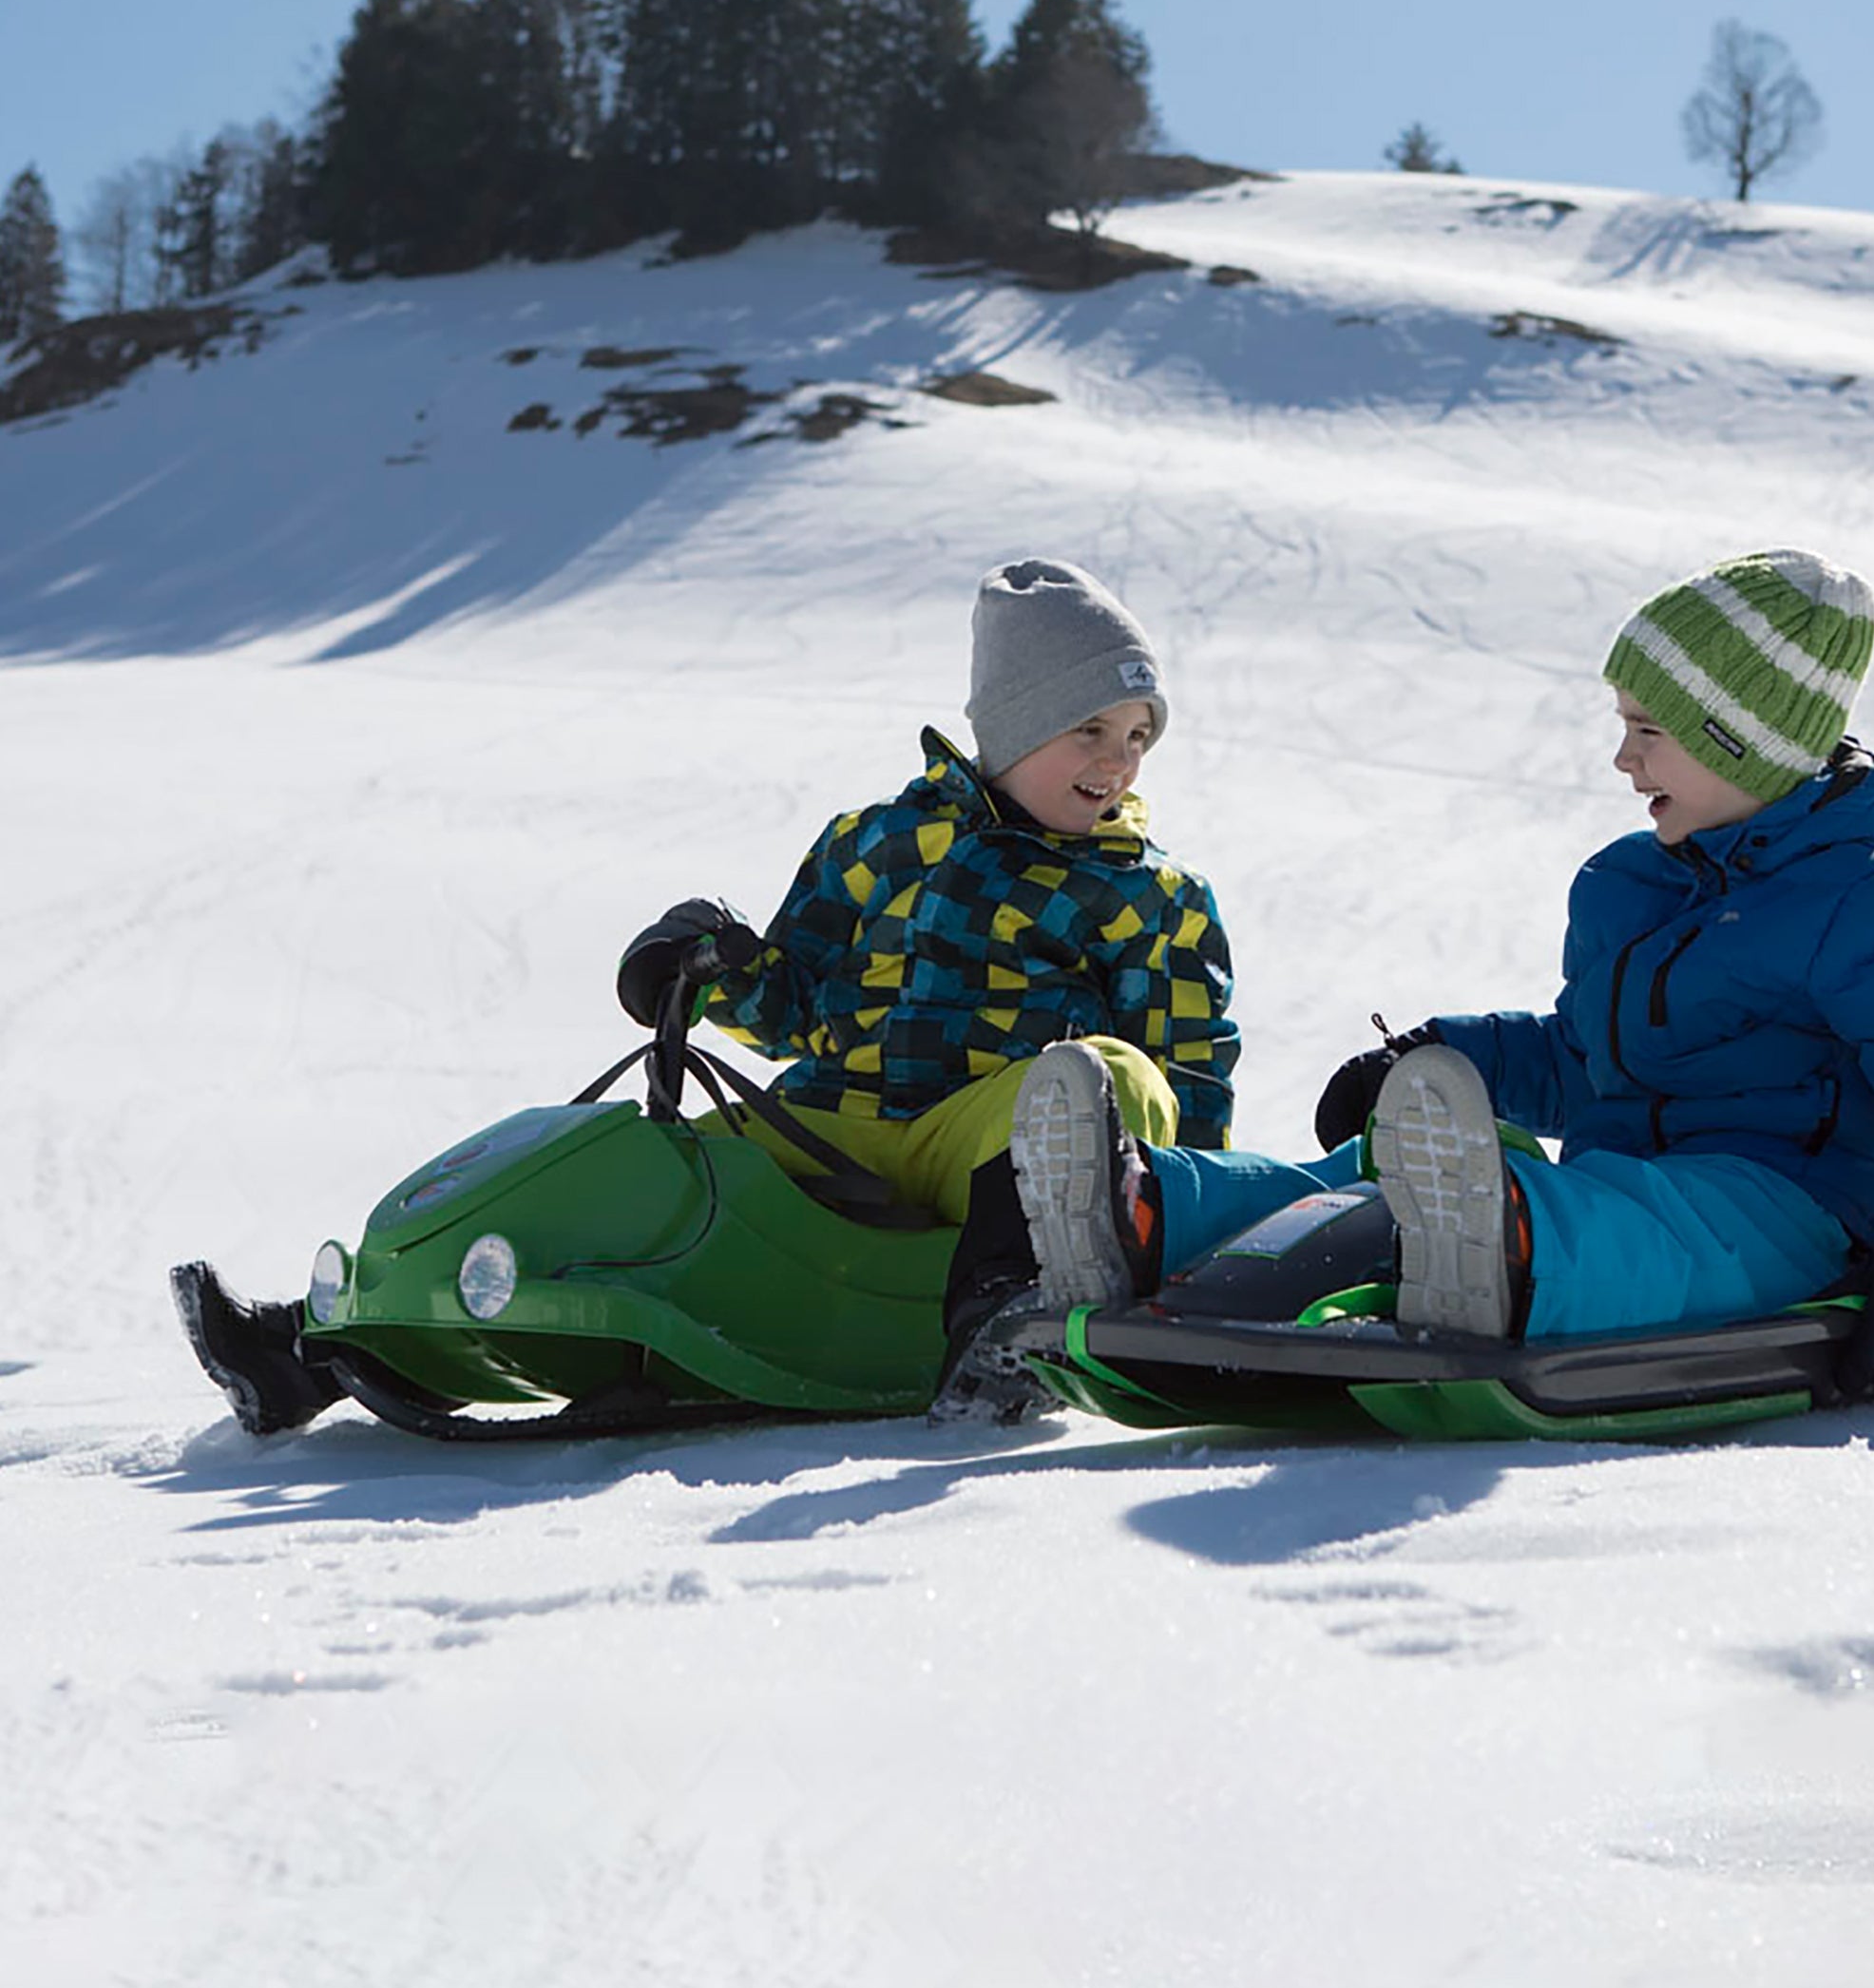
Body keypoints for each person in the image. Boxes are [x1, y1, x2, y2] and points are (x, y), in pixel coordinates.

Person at [951, 548, 1874, 1409]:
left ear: (1745, 744)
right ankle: (1149, 1208)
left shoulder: (1869, 892)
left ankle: (1511, 1245)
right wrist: (1437, 1056)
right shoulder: (1634, 885)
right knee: (1382, 1184)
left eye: (1650, 732)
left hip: (1797, 1209)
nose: (1625, 761)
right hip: (1617, 1176)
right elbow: (1584, 1060)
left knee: (1633, 1221)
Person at [176, 556, 1236, 1432]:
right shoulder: (878, 842)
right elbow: (792, 1007)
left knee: (1097, 1082)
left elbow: (1188, 1086)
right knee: (628, 1153)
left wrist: (1203, 1241)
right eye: (1090, 731)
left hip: (981, 1148)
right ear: (1011, 726)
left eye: (1138, 737)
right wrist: (708, 962)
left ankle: (1008, 1324)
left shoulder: (1153, 897)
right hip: (830, 1129)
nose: (1119, 764)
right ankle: (314, 1347)